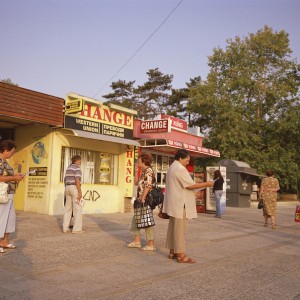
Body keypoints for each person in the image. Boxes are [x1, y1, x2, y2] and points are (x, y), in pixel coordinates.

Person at [163, 149, 213, 263]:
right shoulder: (180, 169)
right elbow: (190, 186)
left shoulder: (172, 168)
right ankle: (181, 255)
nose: (188, 162)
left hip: (174, 203)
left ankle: (172, 251)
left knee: (173, 229)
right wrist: (207, 184)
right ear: (180, 158)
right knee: (180, 231)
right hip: (181, 204)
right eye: (187, 160)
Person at [127, 152, 156, 251]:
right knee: (136, 220)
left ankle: (151, 244)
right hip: (140, 200)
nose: (137, 163)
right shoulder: (143, 172)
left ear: (143, 161)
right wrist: (136, 171)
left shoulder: (149, 171)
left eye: (139, 161)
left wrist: (143, 198)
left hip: (145, 200)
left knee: (147, 221)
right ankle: (137, 241)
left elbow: (148, 185)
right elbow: (136, 183)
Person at [0, 140, 24, 253]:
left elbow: (5, 175)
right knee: (1, 218)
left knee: (10, 218)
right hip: (2, 194)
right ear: (5, 150)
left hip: (9, 193)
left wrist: (15, 176)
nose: (12, 154)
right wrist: (14, 178)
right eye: (12, 152)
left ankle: (5, 241)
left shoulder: (4, 162)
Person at [63, 155, 83, 234]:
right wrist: (79, 191)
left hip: (67, 188)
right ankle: (76, 229)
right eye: (80, 161)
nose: (80, 163)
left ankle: (65, 228)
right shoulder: (77, 168)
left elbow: (65, 179)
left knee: (67, 209)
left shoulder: (68, 168)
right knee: (77, 209)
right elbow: (77, 179)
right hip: (74, 188)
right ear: (77, 161)